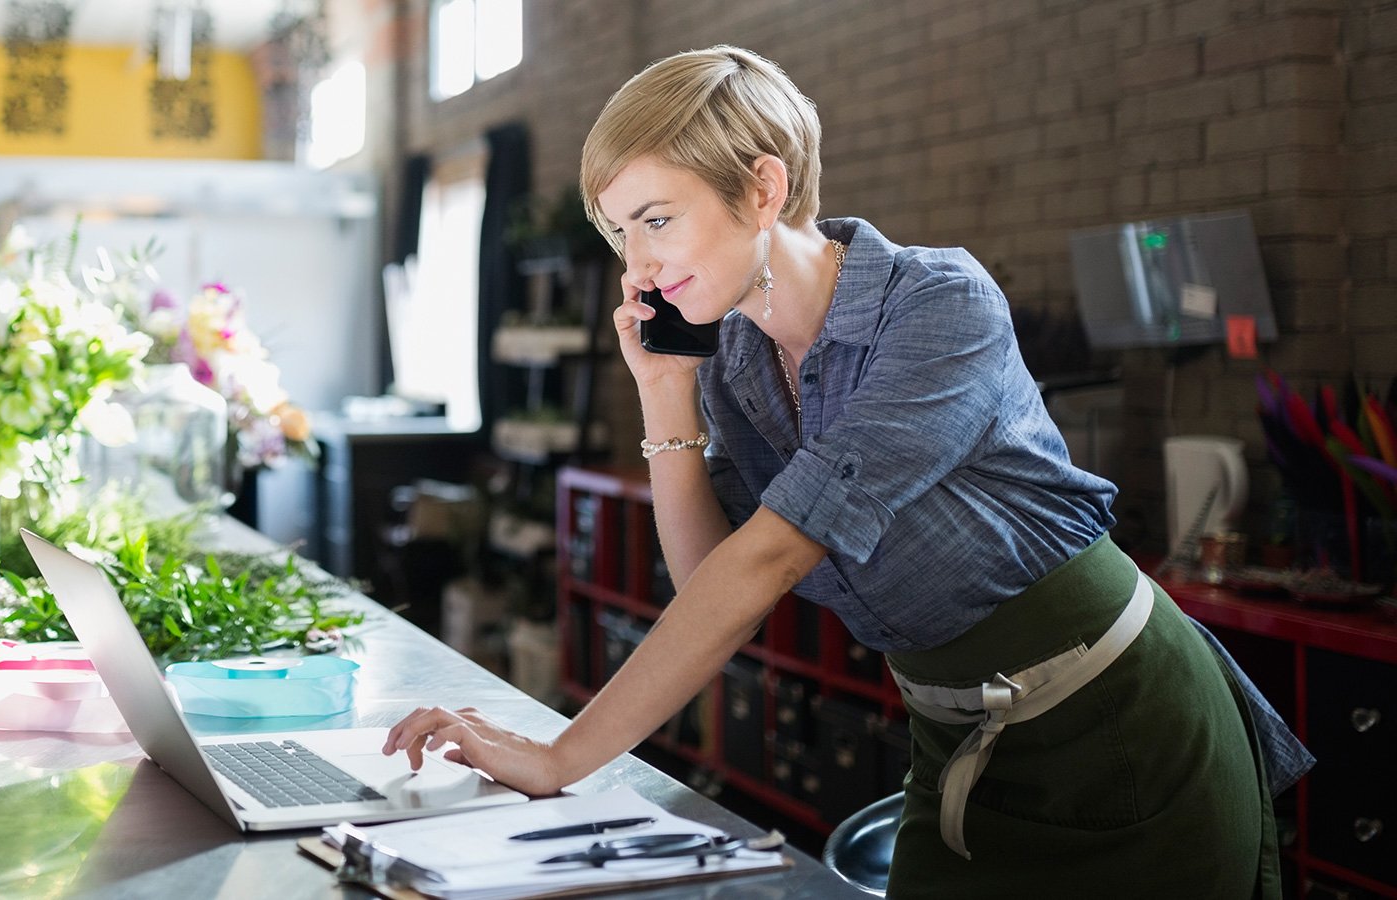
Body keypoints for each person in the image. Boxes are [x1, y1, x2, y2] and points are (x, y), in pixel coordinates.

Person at [384, 45, 1312, 898]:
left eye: (658, 219)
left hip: (1118, 725)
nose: (640, 265)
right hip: (955, 739)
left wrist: (562, 755)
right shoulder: (741, 363)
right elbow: (711, 587)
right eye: (621, 233)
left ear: (762, 189)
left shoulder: (940, 305)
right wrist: (665, 395)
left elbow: (770, 562)